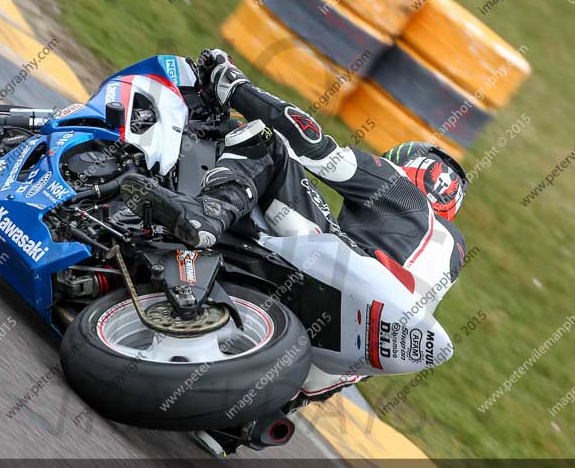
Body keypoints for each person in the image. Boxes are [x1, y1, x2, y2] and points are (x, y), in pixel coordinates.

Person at [121, 49, 469, 397]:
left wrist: (235, 86)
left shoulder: (401, 189)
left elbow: (315, 146)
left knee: (268, 144)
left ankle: (209, 213)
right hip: (327, 370)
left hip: (348, 278)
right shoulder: (446, 261)